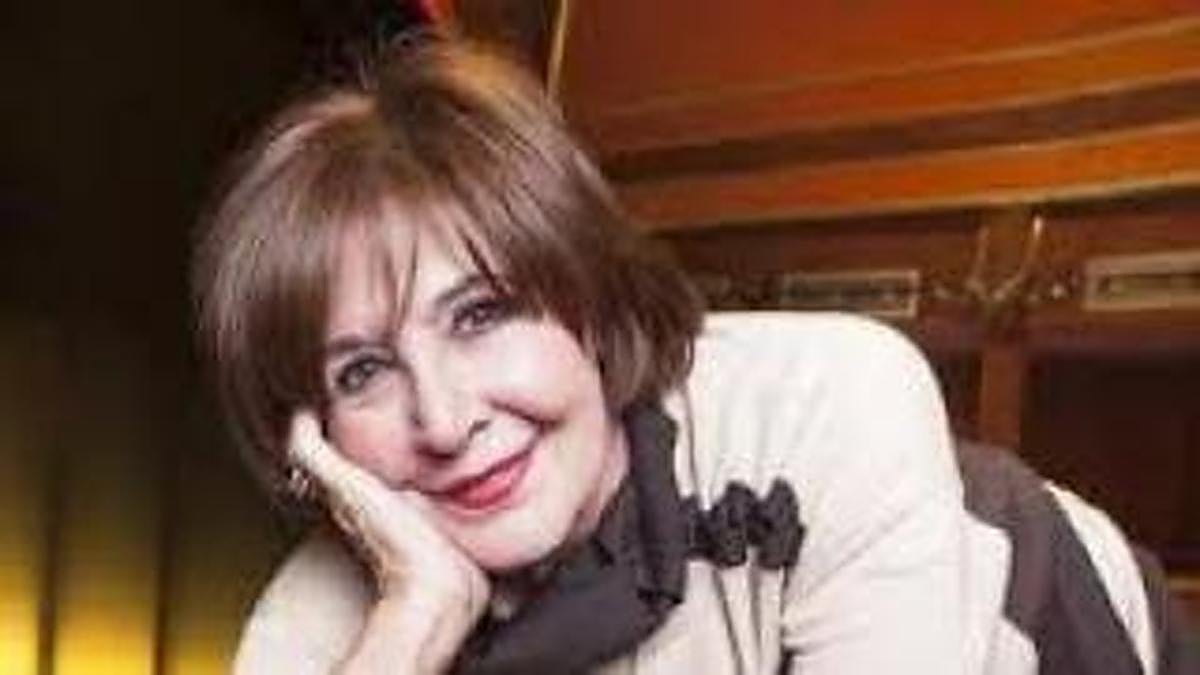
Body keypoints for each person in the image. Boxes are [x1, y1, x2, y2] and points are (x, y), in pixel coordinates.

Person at [193, 34, 1192, 675]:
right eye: (362, 371)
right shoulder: (334, 622)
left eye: (482, 313)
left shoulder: (836, 401)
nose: (447, 420)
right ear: (313, 434)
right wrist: (415, 623)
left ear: (586, 294)